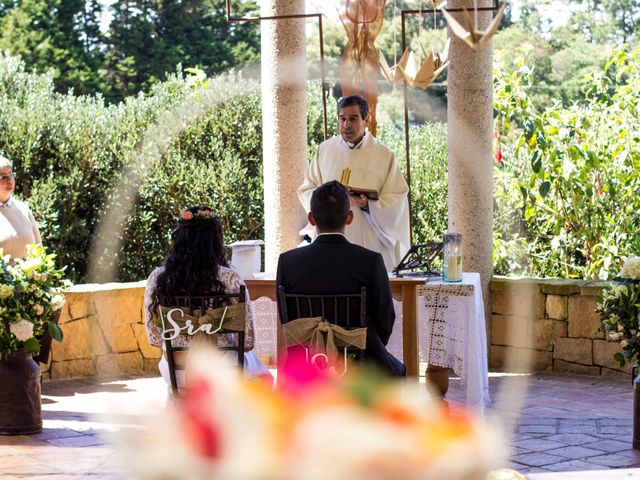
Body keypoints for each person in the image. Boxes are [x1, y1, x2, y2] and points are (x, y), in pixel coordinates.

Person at [277, 181, 406, 377]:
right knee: (398, 371)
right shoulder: (370, 261)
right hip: (363, 366)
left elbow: (289, 320)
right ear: (350, 217)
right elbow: (385, 320)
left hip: (307, 365)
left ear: (311, 219)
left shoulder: (288, 262)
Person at [144, 206, 271, 388]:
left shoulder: (157, 278)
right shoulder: (230, 278)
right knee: (262, 376)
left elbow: (154, 339)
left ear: (179, 240)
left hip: (178, 371)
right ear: (215, 241)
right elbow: (248, 342)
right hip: (223, 370)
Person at [298, 95, 410, 272]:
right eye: (342, 119)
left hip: (371, 240)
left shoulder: (384, 155)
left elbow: (397, 197)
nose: (346, 125)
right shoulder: (325, 150)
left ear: (366, 120)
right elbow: (306, 189)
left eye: (353, 118)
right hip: (329, 240)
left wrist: (367, 204)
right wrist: (327, 200)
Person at [0, 155, 41, 260]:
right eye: (3, 177)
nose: (10, 180)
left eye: (10, 174)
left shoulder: (24, 209)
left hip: (29, 276)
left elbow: (39, 249)